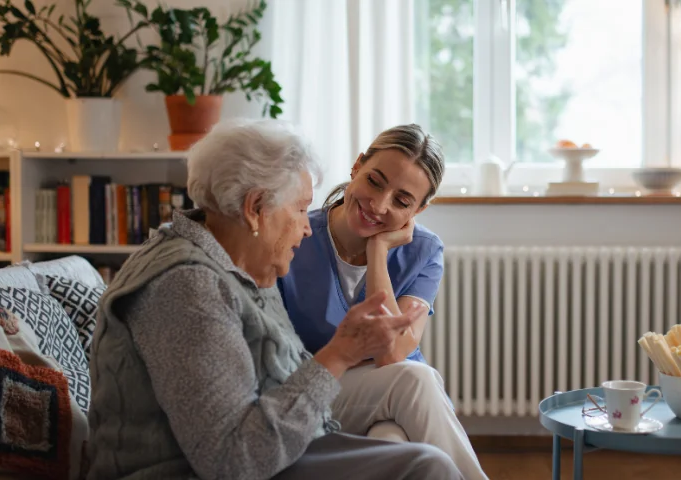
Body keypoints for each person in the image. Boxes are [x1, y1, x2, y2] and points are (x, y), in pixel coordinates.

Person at [86, 119, 462, 480]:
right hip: (205, 465)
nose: (306, 225)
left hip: (280, 429)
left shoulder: (234, 263)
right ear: (255, 209)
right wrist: (341, 353)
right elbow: (233, 460)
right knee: (426, 465)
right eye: (300, 208)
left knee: (401, 444)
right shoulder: (187, 287)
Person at [278, 124, 488, 480]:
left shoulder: (425, 250)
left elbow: (391, 353)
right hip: (323, 390)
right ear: (357, 166)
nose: (379, 204)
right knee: (414, 379)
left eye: (402, 201)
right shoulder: (298, 233)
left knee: (393, 444)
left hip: (396, 398)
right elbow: (394, 362)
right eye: (375, 181)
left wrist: (378, 251)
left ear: (418, 210)